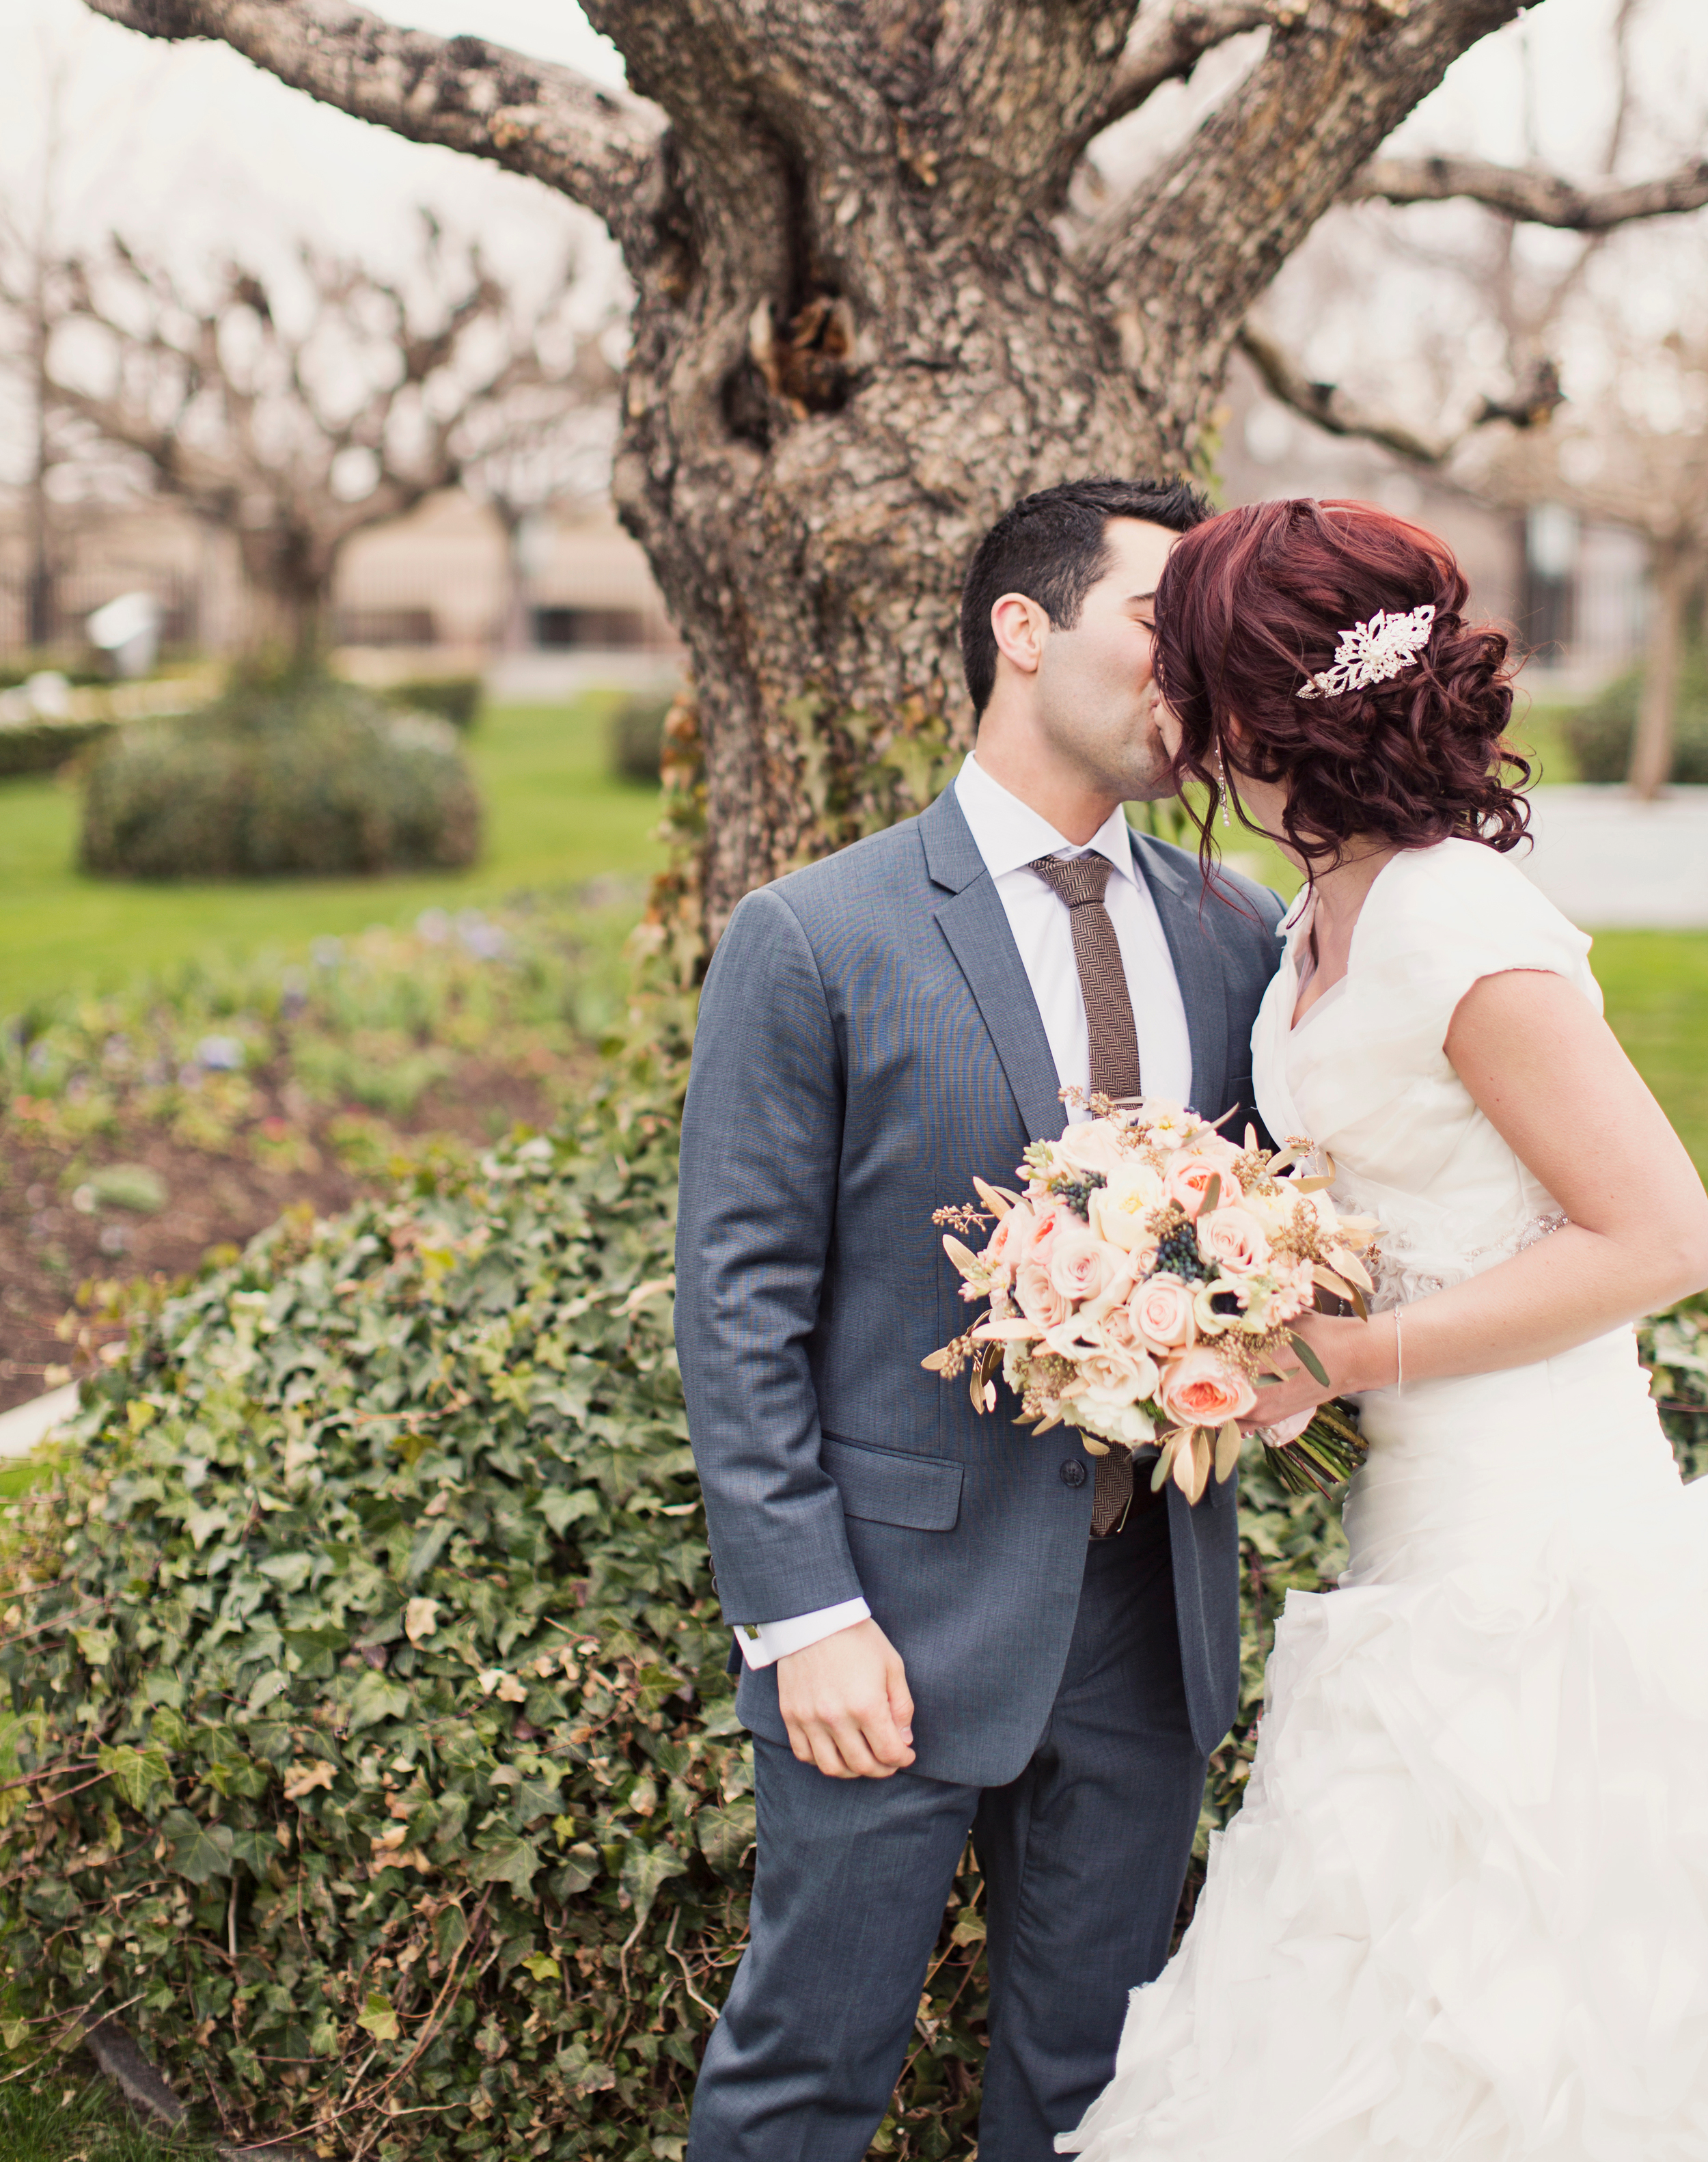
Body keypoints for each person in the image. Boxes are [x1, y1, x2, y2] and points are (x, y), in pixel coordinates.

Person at [1065, 496, 1708, 2162]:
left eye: (1182, 661)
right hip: (1410, 1529)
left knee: (1512, 2002)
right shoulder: (1313, 914)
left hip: (1542, 1550)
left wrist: (1340, 1361)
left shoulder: (1447, 920)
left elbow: (1658, 1233)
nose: (1162, 697)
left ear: (1253, 707)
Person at [673, 478, 1287, 2162]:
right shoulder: (814, 934)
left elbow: (1279, 1243)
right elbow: (737, 1309)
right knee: (807, 2068)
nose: (1199, 665)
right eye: (1164, 623)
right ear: (1020, 631)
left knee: (1092, 2090)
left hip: (1147, 1620)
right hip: (892, 1619)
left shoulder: (1240, 936)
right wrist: (802, 1619)